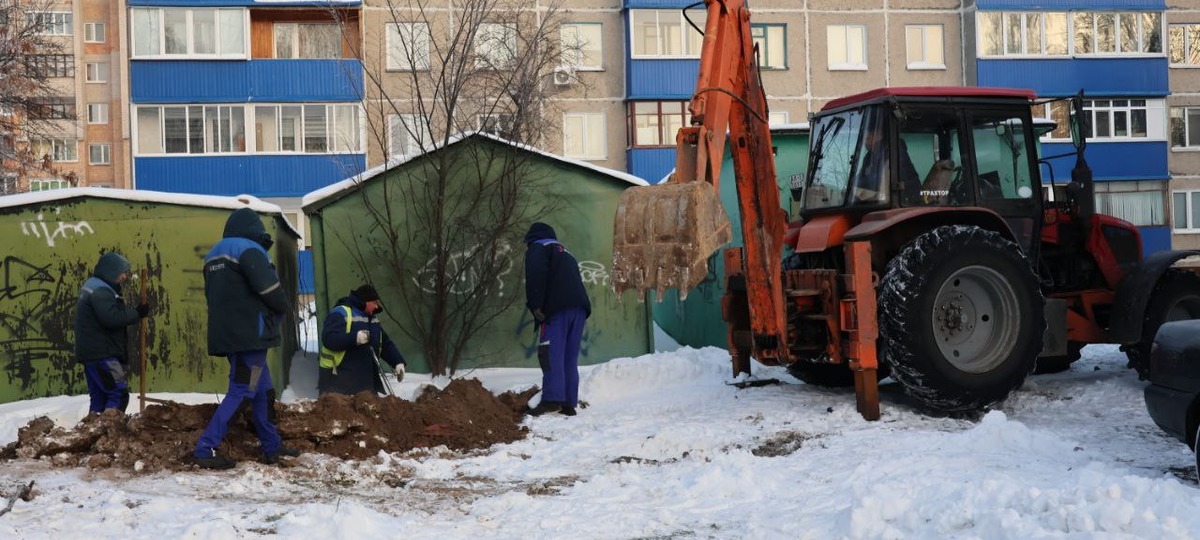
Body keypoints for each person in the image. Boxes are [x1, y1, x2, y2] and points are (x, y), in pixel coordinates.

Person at [192, 207, 299, 469]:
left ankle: (271, 446)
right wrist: (282, 307)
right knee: (242, 391)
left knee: (262, 390)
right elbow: (270, 289)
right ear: (254, 230)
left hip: (229, 335)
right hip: (251, 335)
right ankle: (205, 448)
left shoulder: (213, 255)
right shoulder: (248, 249)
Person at [523, 222, 591, 417]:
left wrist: (536, 305)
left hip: (556, 310)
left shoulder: (538, 247)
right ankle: (569, 403)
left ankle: (552, 400)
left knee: (550, 353)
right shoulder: (567, 253)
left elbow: (535, 275)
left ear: (532, 238)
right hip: (579, 309)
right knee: (569, 357)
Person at [74, 252, 149, 414]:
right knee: (118, 394)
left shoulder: (94, 285)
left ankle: (92, 431)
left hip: (92, 354)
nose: (124, 276)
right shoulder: (100, 290)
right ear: (111, 271)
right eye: (122, 272)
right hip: (103, 355)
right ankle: (109, 431)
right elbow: (112, 318)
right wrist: (137, 313)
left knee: (99, 398)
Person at [318, 284, 406, 396]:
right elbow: (329, 339)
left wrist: (398, 362)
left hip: (367, 383)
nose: (376, 306)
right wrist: (355, 338)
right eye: (374, 302)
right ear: (364, 301)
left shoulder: (372, 320)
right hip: (340, 385)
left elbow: (384, 343)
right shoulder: (340, 313)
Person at [854, 123, 920, 204]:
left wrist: (862, 183)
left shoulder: (894, 151)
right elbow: (861, 179)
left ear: (879, 134)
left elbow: (886, 179)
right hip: (883, 200)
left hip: (903, 202)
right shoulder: (868, 157)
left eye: (868, 138)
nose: (864, 142)